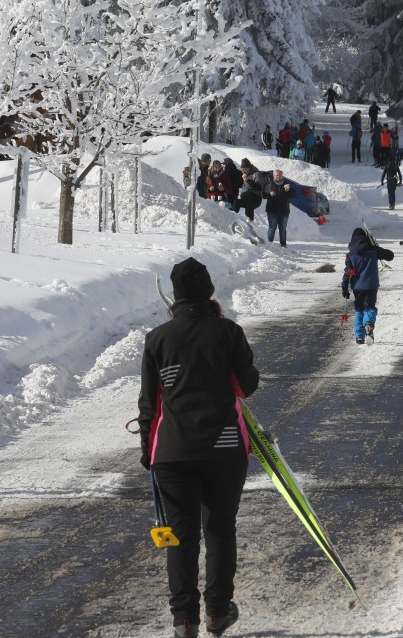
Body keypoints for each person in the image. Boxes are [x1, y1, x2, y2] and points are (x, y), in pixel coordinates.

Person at [138, 257, 260, 638]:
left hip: (172, 451)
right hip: (224, 447)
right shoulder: (228, 332)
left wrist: (148, 450)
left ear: (175, 295)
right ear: (208, 291)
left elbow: (149, 404)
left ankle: (184, 620)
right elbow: (247, 386)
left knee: (181, 534)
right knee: (220, 529)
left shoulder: (157, 339)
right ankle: (218, 614)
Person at [340, 227, 394, 344]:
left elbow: (348, 273)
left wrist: (345, 288)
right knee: (370, 307)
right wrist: (376, 246)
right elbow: (390, 256)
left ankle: (359, 336)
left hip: (357, 287)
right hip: (371, 285)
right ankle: (369, 323)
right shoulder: (373, 250)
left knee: (359, 309)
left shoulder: (350, 255)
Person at [263, 169, 292, 247]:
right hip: (272, 211)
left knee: (283, 229)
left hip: (284, 211)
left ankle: (283, 245)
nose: (278, 176)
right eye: (277, 175)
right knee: (272, 228)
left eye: (280, 175)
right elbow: (263, 195)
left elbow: (293, 196)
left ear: (282, 176)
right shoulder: (269, 184)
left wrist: (288, 190)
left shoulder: (286, 185)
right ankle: (269, 244)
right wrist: (270, 194)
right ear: (274, 176)